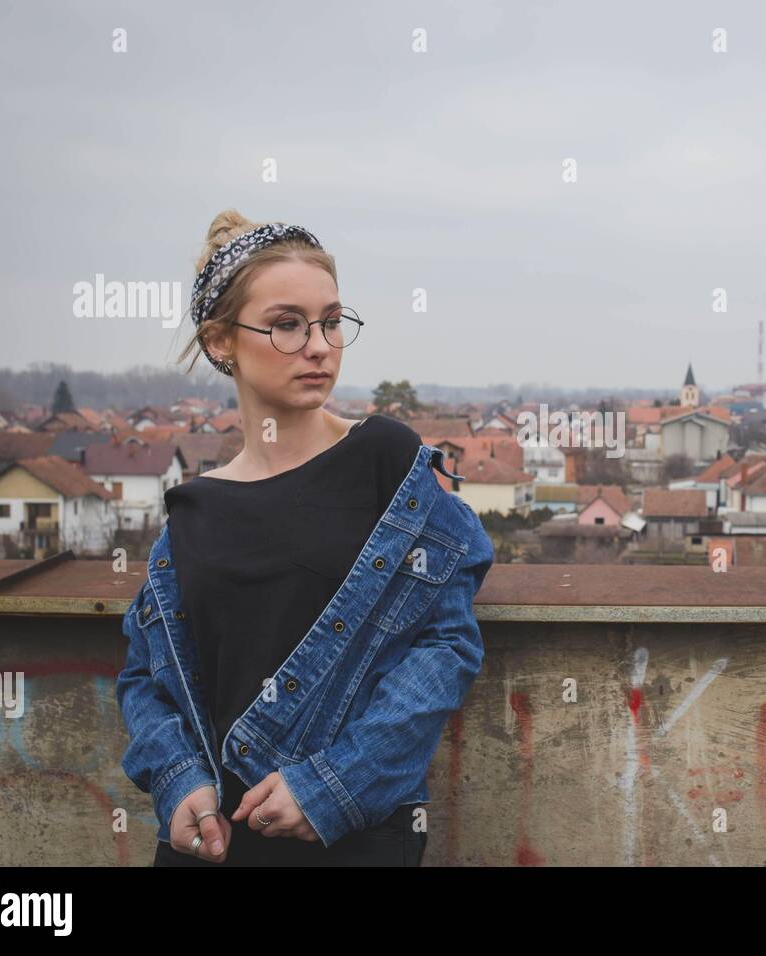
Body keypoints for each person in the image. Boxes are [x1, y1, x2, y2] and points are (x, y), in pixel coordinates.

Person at [116, 209, 492, 866]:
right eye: (287, 325)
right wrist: (178, 785)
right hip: (213, 844)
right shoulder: (194, 509)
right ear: (220, 340)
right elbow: (146, 678)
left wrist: (334, 788)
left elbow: (447, 645)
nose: (319, 346)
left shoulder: (387, 463)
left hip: (350, 834)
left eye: (330, 322)